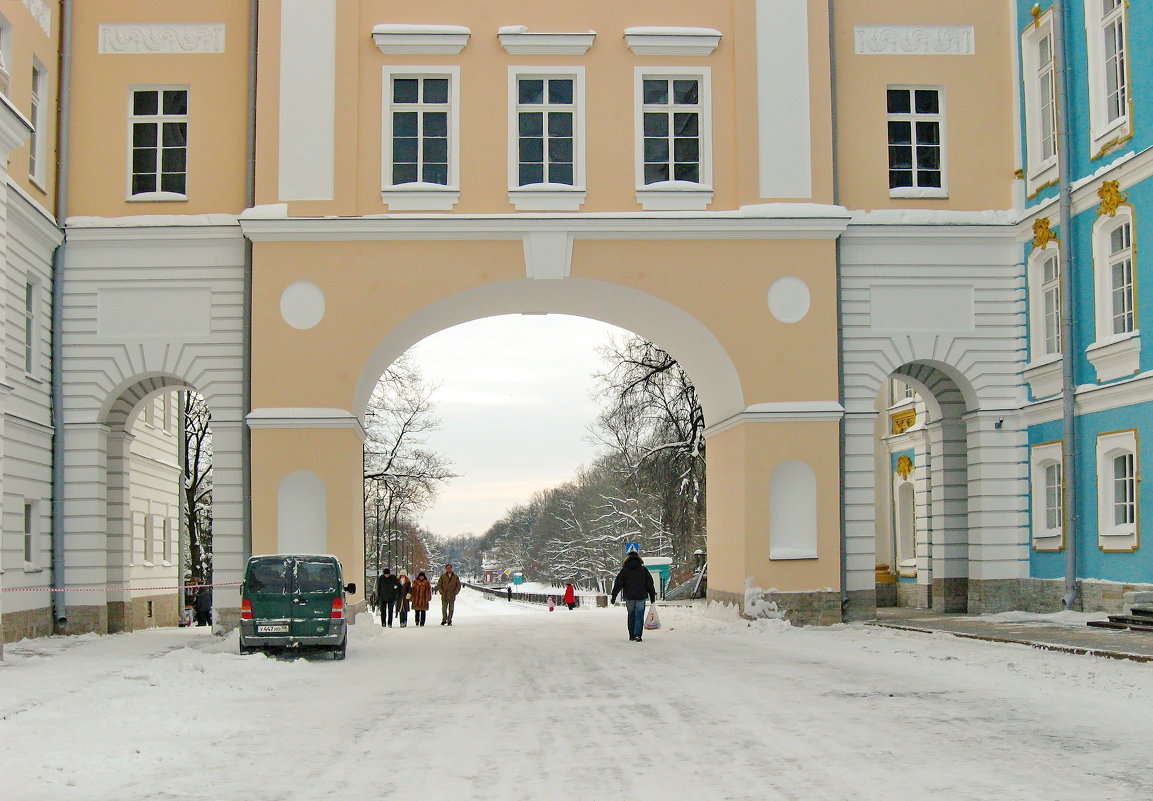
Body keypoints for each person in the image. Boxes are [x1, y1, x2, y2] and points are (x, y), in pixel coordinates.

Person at [610, 551, 656, 642]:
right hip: (641, 596)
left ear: (628, 559)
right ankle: (638, 635)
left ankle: (631, 635)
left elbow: (618, 584)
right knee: (639, 615)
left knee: (631, 615)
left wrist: (614, 596)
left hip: (629, 597)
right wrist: (652, 597)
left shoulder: (625, 570)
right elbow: (650, 584)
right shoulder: (644, 570)